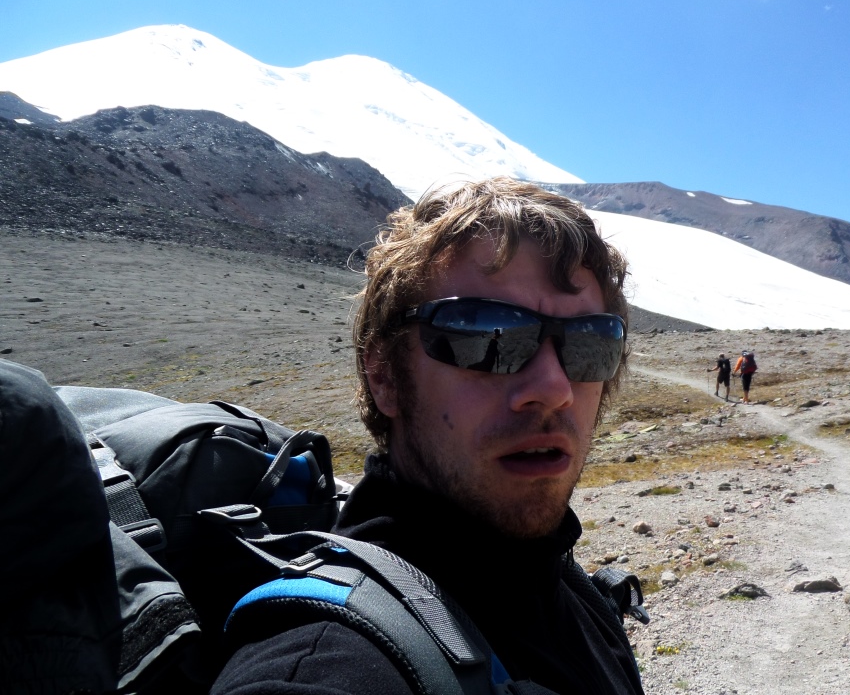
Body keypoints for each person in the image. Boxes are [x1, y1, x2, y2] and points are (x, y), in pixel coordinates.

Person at [213, 177, 645, 695]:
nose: (555, 389)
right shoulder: (325, 662)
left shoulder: (571, 592)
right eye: (486, 335)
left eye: (591, 342)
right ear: (385, 376)